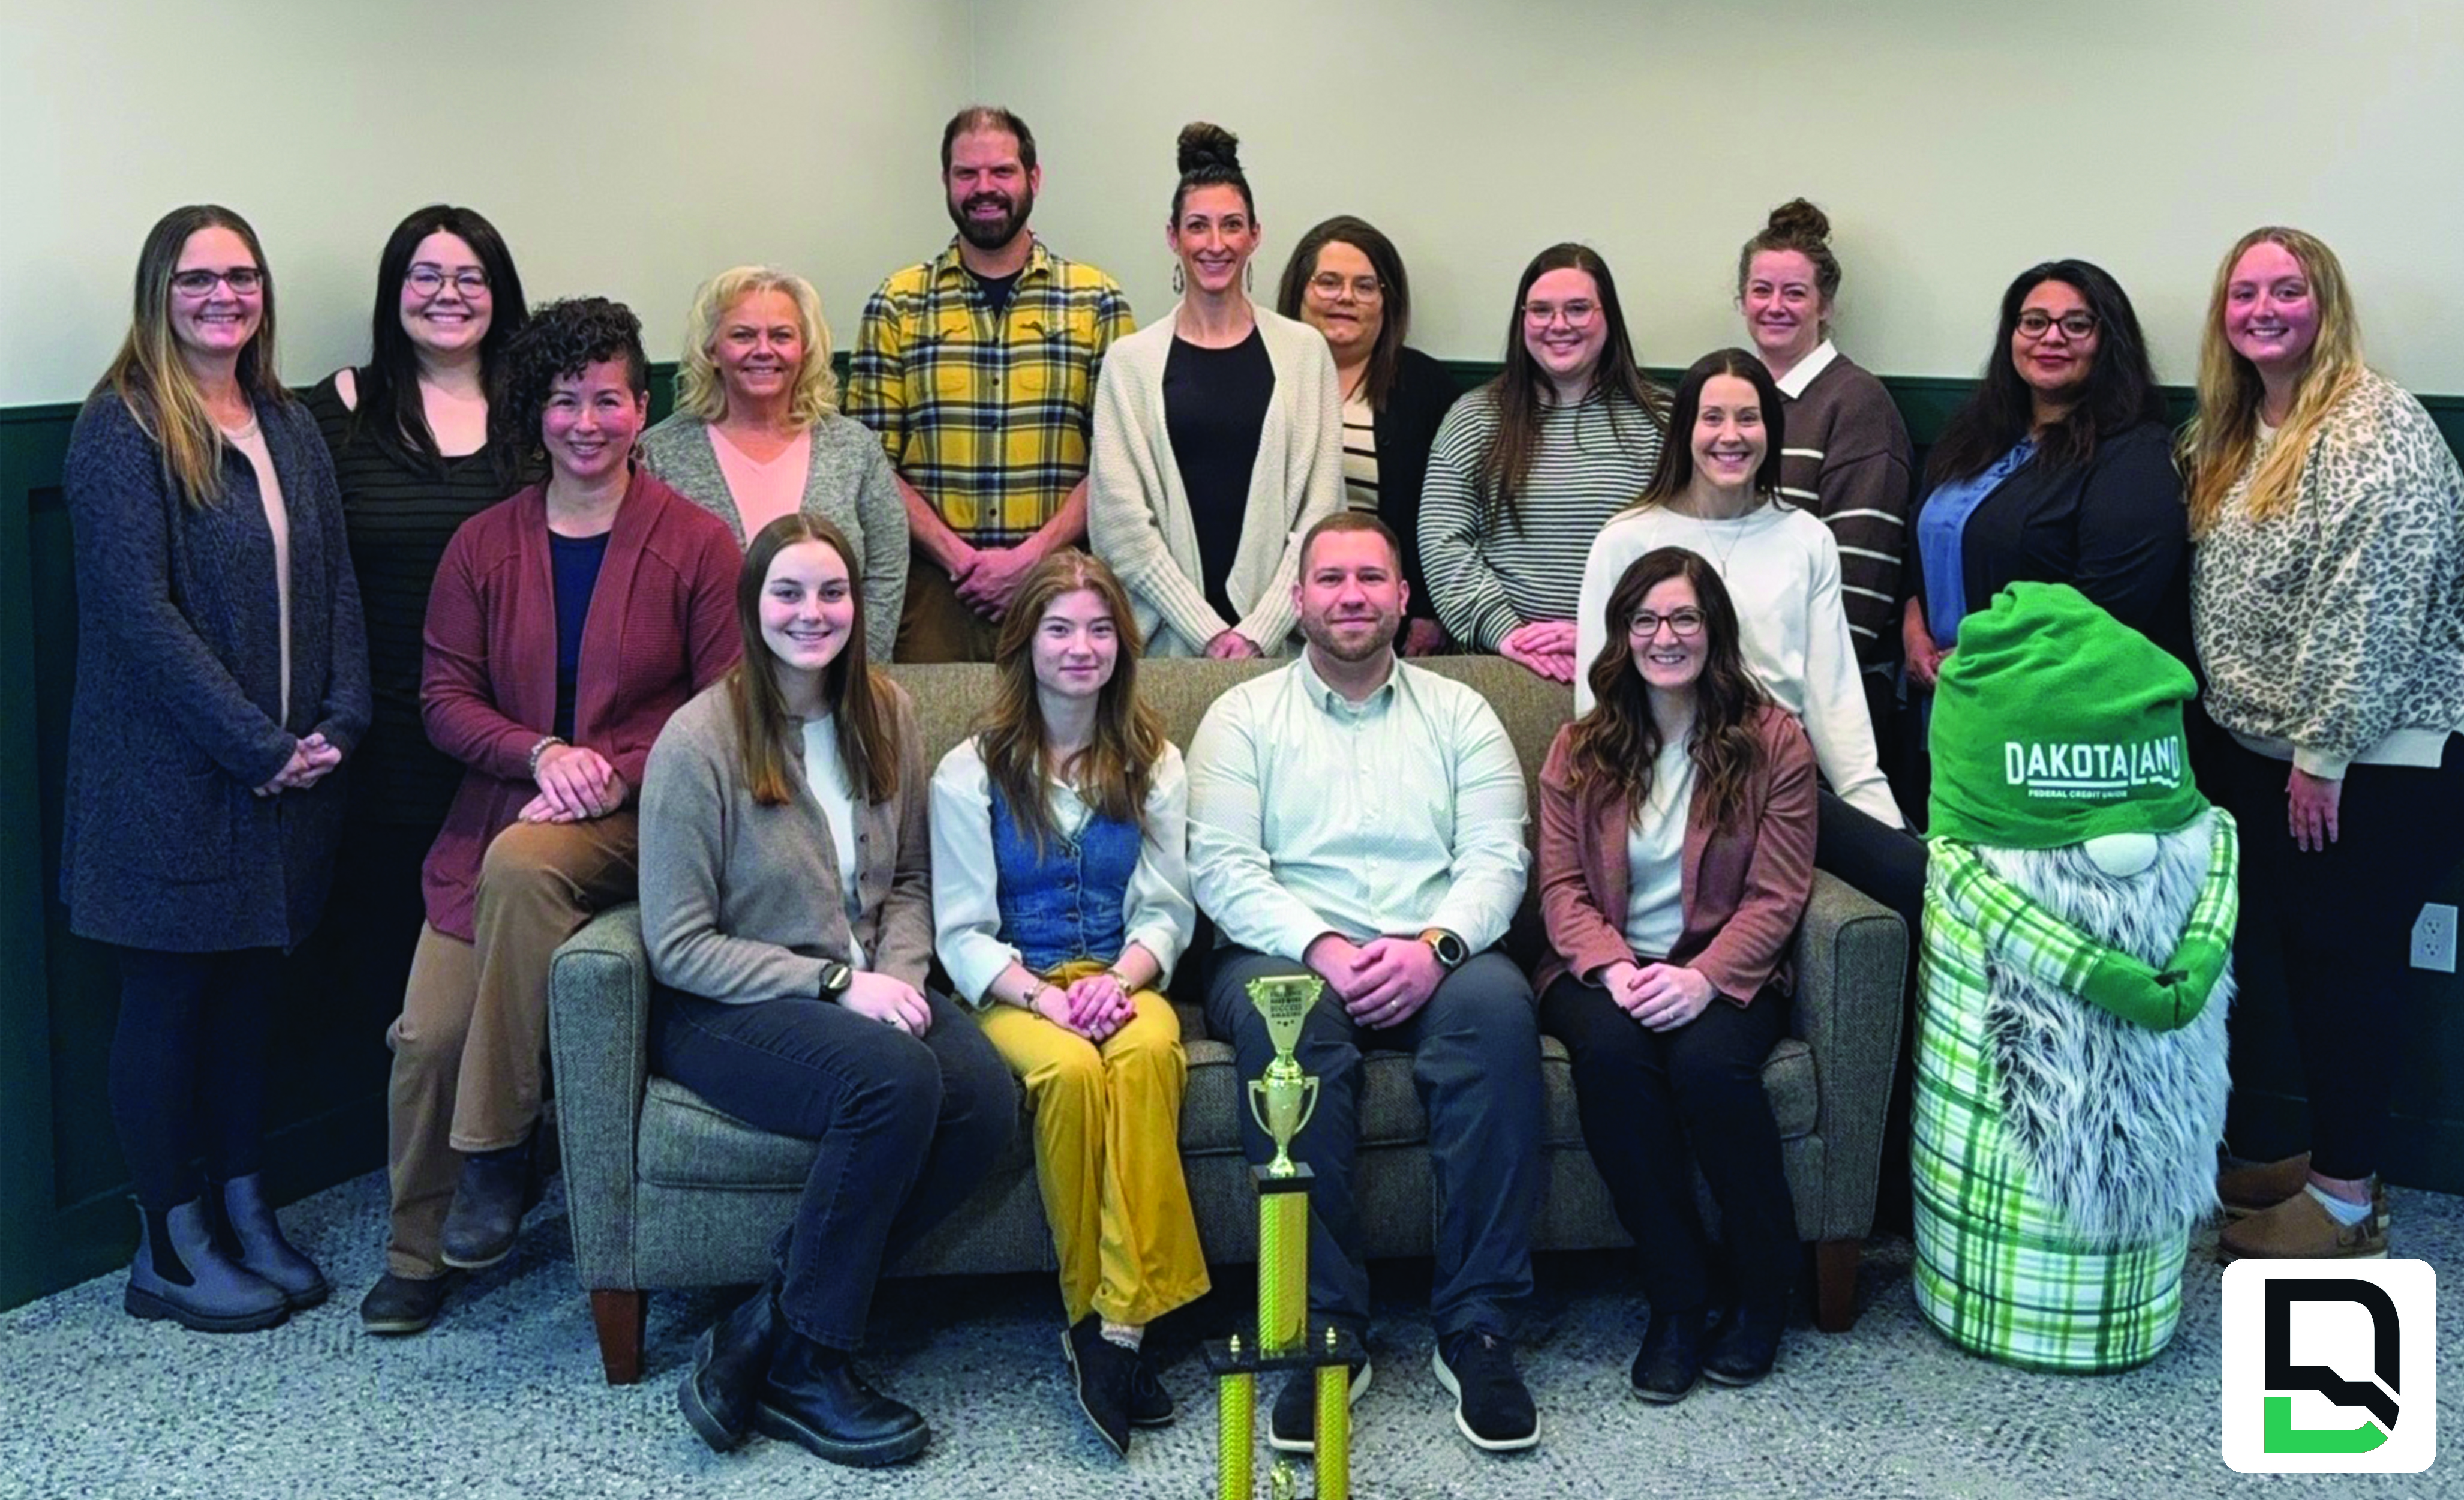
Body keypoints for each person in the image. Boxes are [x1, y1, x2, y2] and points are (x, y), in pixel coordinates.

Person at [364, 298, 742, 1336]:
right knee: (426, 1038)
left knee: (530, 861)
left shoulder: (698, 544)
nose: (588, 421)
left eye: (610, 399)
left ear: (639, 408)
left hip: (646, 821)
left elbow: (727, 701)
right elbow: (442, 698)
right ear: (533, 412)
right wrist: (538, 753)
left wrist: (608, 771)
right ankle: (414, 1252)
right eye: (565, 399)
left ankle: (493, 1153)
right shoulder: (483, 545)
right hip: (494, 820)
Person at [641, 515, 1014, 1468]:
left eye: (832, 593)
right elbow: (679, 944)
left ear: (859, 604)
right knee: (895, 1082)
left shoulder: (884, 712)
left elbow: (916, 881)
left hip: (868, 984)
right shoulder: (699, 740)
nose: (813, 614)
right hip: (729, 1010)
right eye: (789, 593)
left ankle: (769, 1322)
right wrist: (838, 981)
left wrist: (897, 973)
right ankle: (814, 1366)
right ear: (752, 604)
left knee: (987, 1101)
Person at [62, 204, 369, 1331]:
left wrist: (342, 715)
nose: (223, 297)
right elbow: (139, 619)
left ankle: (244, 1207)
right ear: (160, 292)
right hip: (172, 787)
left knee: (249, 1000)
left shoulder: (282, 420)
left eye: (241, 277)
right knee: (170, 1003)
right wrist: (256, 746)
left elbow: (333, 579)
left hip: (288, 781)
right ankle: (170, 1246)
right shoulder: (122, 428)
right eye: (198, 280)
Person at [1188, 511, 1541, 1456]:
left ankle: (1479, 1326)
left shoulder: (1463, 711)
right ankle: (1321, 1332)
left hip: (1439, 946)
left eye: (1372, 579)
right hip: (1285, 950)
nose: (1352, 595)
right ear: (1297, 600)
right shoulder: (1242, 715)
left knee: (1501, 1019)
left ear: (1402, 597)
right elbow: (1222, 867)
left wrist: (1438, 947)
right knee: (1291, 1037)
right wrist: (1323, 948)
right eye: (1332, 579)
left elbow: (1498, 858)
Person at [2183, 227, 2464, 1261]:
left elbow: (2368, 606)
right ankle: (2326, 1162)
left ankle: (2344, 1205)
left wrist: (2322, 753)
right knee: (2309, 962)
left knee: (2348, 969)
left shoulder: (2367, 428)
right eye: (2243, 291)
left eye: (2286, 290)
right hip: (2283, 752)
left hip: (2368, 762)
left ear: (2324, 303)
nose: (2262, 308)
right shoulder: (2249, 421)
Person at [928, 549, 1206, 1456]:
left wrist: (1119, 986)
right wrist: (1048, 1005)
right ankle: (1109, 1324)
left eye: (1098, 630)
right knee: (1070, 1076)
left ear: (1122, 647)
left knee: (1144, 1058)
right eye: (1059, 629)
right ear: (1025, 643)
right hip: (1016, 988)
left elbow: (1167, 908)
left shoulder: (1155, 762)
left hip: (1122, 980)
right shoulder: (969, 772)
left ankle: (1110, 1331)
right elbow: (962, 932)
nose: (1080, 648)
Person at [1537, 546, 1814, 1403]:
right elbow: (1561, 886)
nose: (1666, 636)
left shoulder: (1773, 743)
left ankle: (1765, 1286)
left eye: (1685, 618)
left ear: (1714, 632)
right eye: (1647, 620)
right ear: (1623, 636)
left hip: (1724, 966)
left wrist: (1702, 980)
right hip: (1603, 968)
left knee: (1709, 1067)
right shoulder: (1580, 746)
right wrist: (1615, 970)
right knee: (1614, 1062)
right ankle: (1678, 1296)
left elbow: (1777, 896)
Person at [301, 204, 532, 1098]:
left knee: (512, 960)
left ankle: (506, 1145)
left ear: (499, 293)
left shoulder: (541, 408)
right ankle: (406, 1171)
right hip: (386, 739)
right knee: (391, 965)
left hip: (519, 742)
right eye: (426, 276)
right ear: (394, 293)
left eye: (470, 276)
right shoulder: (340, 410)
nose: (448, 294)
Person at [848, 105, 1134, 662]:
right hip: (934, 594)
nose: (985, 188)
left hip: (1064, 588)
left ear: (1034, 177)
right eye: (967, 174)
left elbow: (1117, 463)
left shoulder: (1097, 301)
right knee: (932, 740)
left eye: (1002, 172)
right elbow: (871, 465)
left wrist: (1032, 558)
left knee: (1062, 743)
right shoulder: (897, 304)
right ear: (946, 183)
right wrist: (959, 558)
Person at [1089, 122, 1344, 660]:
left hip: (1282, 648)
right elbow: (1119, 527)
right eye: (1198, 227)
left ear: (1255, 235)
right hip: (1164, 648)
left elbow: (1321, 512)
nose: (1215, 244)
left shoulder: (1304, 352)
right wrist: (1207, 631)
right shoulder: (1130, 363)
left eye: (1232, 226)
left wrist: (1258, 632)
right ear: (1173, 236)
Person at [1904, 261, 2189, 707]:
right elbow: (1933, 545)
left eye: (2077, 325)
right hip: (1939, 703)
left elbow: (2107, 609)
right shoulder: (1973, 434)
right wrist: (1914, 622)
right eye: (2034, 322)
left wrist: (1987, 657)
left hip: (2049, 713)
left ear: (2108, 341)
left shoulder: (2136, 456)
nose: (2051, 338)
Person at [1420, 243, 1667, 682]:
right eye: (1541, 311)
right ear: (1522, 320)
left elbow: (1685, 549)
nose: (1559, 325)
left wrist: (1608, 634)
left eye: (1578, 309)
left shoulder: (1661, 421)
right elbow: (1444, 541)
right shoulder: (1473, 417)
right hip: (1500, 663)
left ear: (1608, 316)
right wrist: (1508, 634)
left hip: (1633, 663)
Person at [639, 266, 907, 649]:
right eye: (743, 335)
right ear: (712, 350)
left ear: (806, 349)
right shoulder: (659, 456)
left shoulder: (855, 449)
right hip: (709, 692)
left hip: (837, 688)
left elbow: (887, 571)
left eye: (781, 336)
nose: (764, 350)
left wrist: (860, 671)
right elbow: (648, 591)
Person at [1735, 199, 1912, 738]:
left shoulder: (1856, 403)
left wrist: (1800, 704)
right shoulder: (1732, 399)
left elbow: (1861, 583)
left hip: (1823, 700)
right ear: (1742, 299)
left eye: (1796, 293)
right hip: (1737, 684)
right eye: (1762, 290)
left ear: (1826, 306)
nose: (1776, 306)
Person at [1276, 215, 1462, 656]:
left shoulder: (1426, 389)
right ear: (1299, 291)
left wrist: (1425, 610)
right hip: (1272, 617)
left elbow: (1445, 517)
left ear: (1387, 301)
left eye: (1365, 286)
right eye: (1328, 282)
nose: (1345, 298)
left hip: (1385, 624)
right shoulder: (1259, 377)